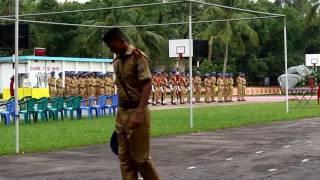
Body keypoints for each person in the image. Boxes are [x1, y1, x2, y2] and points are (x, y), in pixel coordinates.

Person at [103, 28, 161, 180]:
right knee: (125, 159)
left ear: (121, 41)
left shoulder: (137, 57)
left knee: (141, 158)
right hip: (122, 113)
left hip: (137, 110)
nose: (111, 49)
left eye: (112, 45)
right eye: (109, 47)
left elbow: (147, 85)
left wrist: (140, 112)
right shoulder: (116, 62)